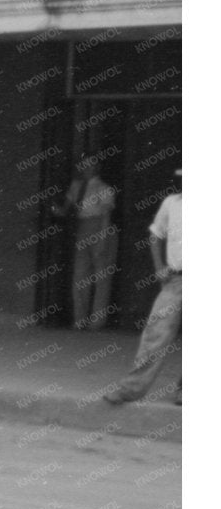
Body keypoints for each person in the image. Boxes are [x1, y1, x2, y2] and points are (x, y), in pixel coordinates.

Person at [103, 169, 181, 405]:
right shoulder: (172, 203)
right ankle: (132, 388)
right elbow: (155, 234)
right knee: (156, 332)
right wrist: (159, 268)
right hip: (177, 278)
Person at [65, 156, 117, 331]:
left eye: (91, 165)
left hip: (99, 226)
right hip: (82, 226)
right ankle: (80, 319)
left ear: (96, 168)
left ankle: (97, 320)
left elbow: (105, 215)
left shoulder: (104, 188)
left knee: (101, 274)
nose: (87, 168)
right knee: (80, 275)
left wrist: (102, 238)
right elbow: (67, 206)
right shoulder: (76, 187)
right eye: (84, 165)